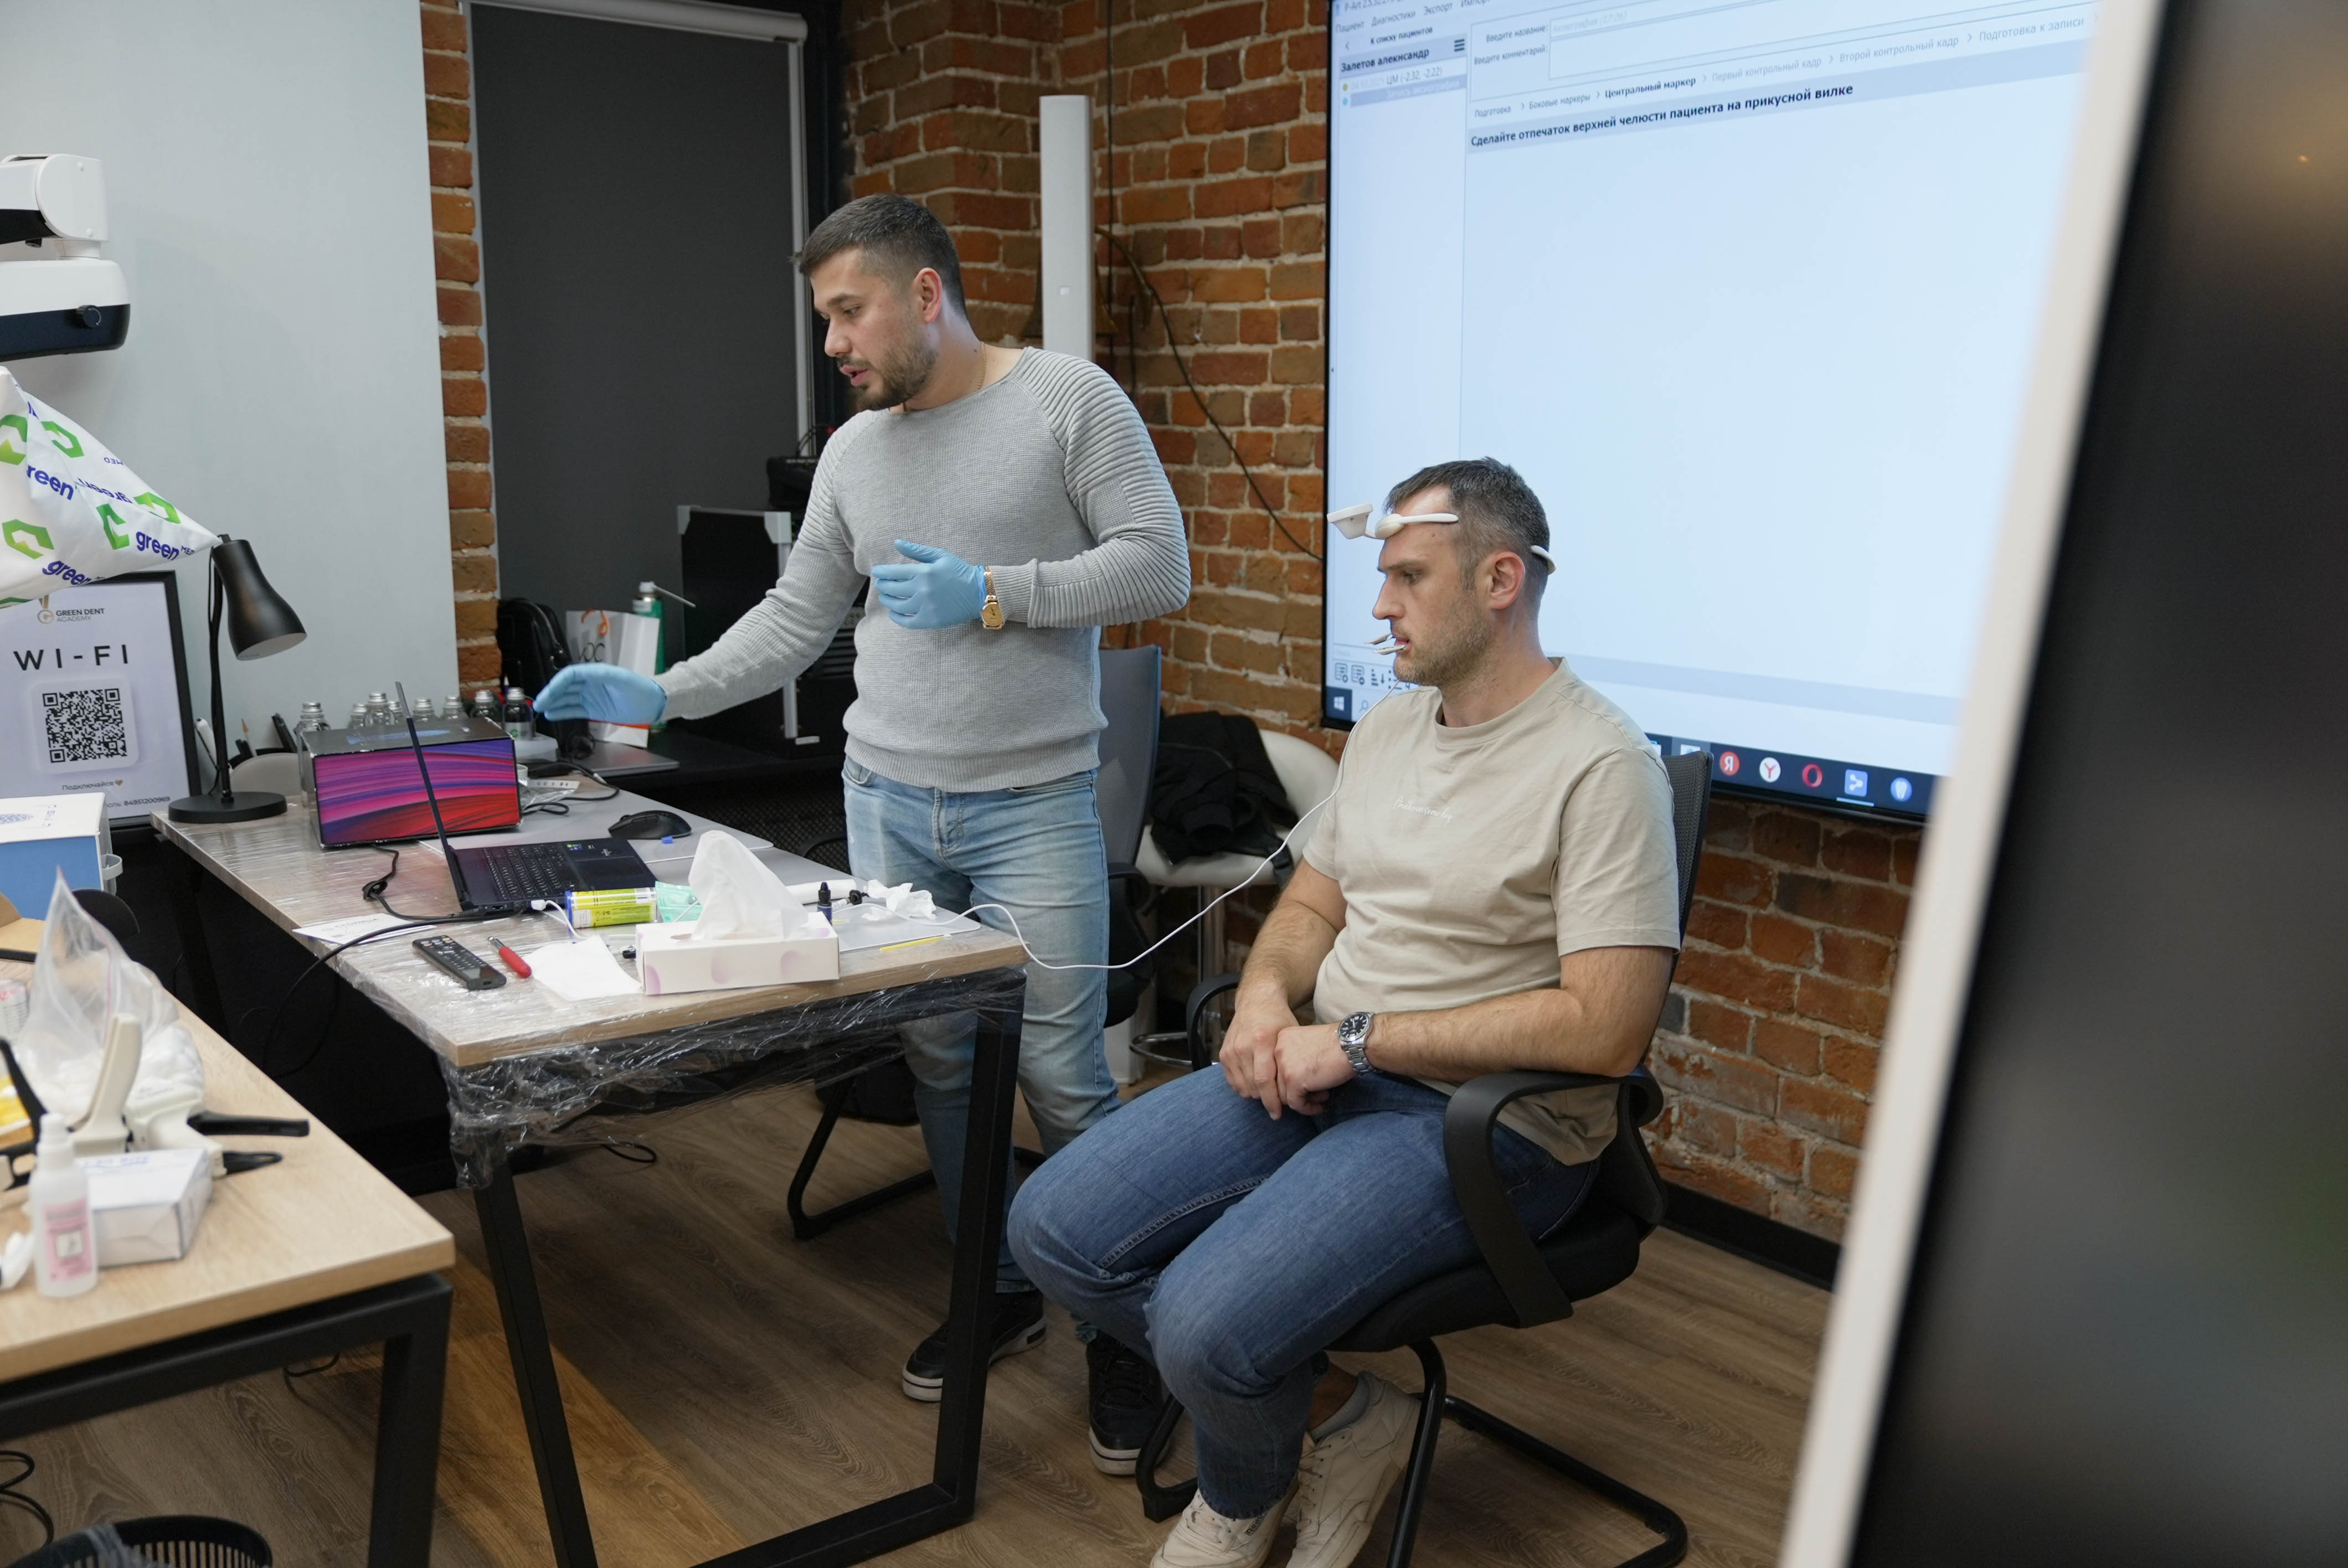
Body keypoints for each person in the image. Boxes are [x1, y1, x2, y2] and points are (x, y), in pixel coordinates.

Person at [538, 193, 1190, 1466]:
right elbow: (797, 618)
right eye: (823, 317)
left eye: (850, 312)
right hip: (885, 797)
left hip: (1030, 803)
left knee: (1062, 1074)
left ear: (926, 294)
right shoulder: (852, 452)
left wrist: (993, 593)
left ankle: (1128, 1332)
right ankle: (994, 1288)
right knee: (941, 1059)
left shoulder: (1066, 402)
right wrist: (663, 694)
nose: (833, 341)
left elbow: (1157, 566)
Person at [1007, 458, 1683, 1568]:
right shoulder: (1388, 731)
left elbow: (1604, 1030)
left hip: (1482, 1125)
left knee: (1204, 1325)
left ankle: (1240, 1498)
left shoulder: (1601, 767)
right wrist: (1261, 999)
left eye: (1409, 578)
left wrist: (1358, 1039)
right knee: (1052, 1229)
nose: (1379, 605)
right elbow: (1313, 904)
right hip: (1325, 1070)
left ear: (1500, 581)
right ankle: (1346, 1418)